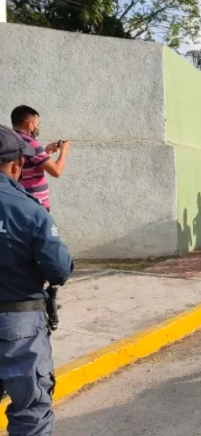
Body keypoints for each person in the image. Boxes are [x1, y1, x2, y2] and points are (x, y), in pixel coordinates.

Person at [0, 124, 74, 435]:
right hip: (18, 326)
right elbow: (58, 269)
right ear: (16, 165)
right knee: (30, 414)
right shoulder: (30, 211)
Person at [11, 105, 72, 212]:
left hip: (18, 200)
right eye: (37, 125)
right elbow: (56, 171)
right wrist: (64, 152)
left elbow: (27, 166)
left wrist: (46, 152)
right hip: (35, 204)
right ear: (28, 124)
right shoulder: (30, 143)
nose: (38, 128)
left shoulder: (10, 139)